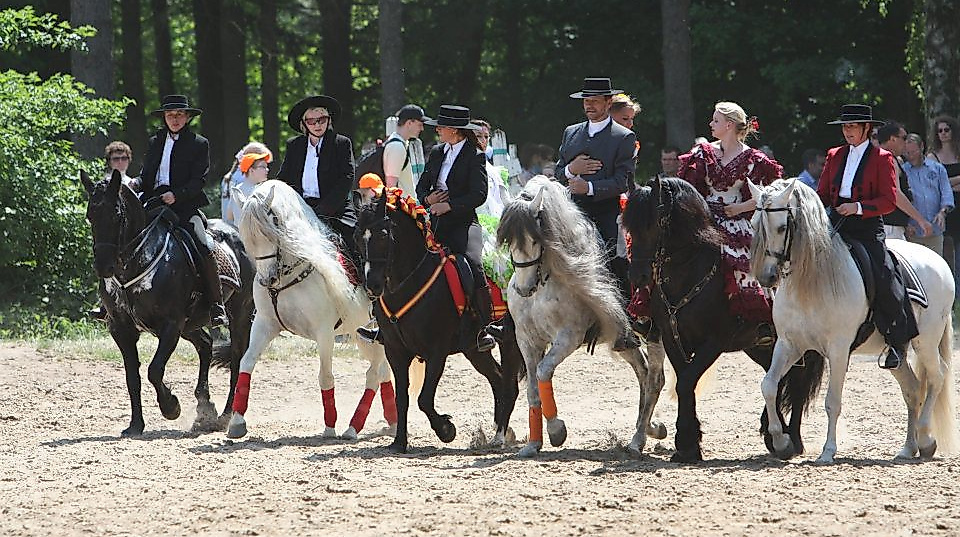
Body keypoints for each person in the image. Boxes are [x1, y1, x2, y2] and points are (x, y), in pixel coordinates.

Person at [817, 104, 918, 369]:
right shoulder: (834, 155)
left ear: (866, 128)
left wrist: (858, 207)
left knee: (883, 272)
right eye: (845, 126)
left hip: (866, 227)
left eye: (852, 126)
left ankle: (896, 340)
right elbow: (823, 195)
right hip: (835, 223)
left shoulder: (882, 158)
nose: (847, 131)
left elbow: (888, 200)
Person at [676, 101, 781, 342]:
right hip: (705, 218)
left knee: (746, 260)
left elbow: (768, 195)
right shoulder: (703, 153)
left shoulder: (753, 159)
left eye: (715, 120)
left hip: (737, 219)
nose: (711, 124)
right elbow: (689, 188)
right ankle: (660, 314)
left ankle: (761, 320)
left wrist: (740, 208)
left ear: (729, 125)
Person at [413, 104, 496, 352]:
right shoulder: (438, 152)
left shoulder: (475, 155)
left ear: (456, 131)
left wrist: (448, 206)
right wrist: (428, 201)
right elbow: (421, 187)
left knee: (473, 262)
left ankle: (485, 326)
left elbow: (479, 194)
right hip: (434, 219)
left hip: (462, 221)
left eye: (441, 126)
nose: (437, 130)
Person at [140, 95, 227, 328]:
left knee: (203, 244)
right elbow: (146, 174)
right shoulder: (155, 141)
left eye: (179, 114)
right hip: (153, 202)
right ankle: (112, 302)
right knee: (122, 235)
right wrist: (136, 185)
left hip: (185, 206)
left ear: (187, 117)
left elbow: (200, 180)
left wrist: (177, 194)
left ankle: (217, 305)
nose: (174, 119)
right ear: (164, 118)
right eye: (170, 115)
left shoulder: (199, 143)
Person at [555, 77, 636, 260]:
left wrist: (589, 188)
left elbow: (622, 181)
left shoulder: (623, 137)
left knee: (615, 266)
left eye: (595, 101)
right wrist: (571, 169)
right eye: (586, 101)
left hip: (605, 214)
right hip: (570, 213)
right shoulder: (571, 132)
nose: (589, 105)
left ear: (608, 103)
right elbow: (558, 173)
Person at [276, 95, 360, 269]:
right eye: (311, 120)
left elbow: (347, 177)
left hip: (335, 209)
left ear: (328, 120)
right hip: (300, 208)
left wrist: (323, 210)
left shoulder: (341, 143)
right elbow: (284, 178)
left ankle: (363, 285)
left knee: (353, 241)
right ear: (304, 123)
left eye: (321, 119)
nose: (317, 124)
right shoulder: (294, 145)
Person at [875, 121, 931, 240]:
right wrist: (921, 220)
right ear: (892, 139)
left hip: (885, 224)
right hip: (889, 227)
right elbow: (895, 194)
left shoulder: (875, 157)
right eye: (904, 138)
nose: (906, 142)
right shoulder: (888, 160)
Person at [902, 133, 952, 254]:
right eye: (907, 153)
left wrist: (943, 212)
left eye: (913, 152)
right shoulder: (903, 171)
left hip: (935, 229)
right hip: (913, 232)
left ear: (922, 147)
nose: (911, 156)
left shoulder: (937, 169)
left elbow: (946, 192)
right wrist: (905, 224)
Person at [929, 115, 960, 285]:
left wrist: (948, 183)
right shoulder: (933, 157)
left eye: (946, 130)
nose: (943, 134)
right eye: (939, 131)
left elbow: (945, 183)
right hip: (944, 208)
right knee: (947, 249)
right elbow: (937, 185)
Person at [384, 104, 431, 199]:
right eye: (419, 125)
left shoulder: (399, 144)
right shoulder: (397, 147)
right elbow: (390, 186)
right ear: (409, 123)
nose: (422, 129)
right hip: (401, 210)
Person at [223, 142, 273, 226]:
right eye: (263, 167)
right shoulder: (259, 191)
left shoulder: (236, 188)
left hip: (235, 234)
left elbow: (229, 216)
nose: (267, 170)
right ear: (251, 170)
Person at [470, 118, 510, 218]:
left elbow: (502, 199)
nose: (483, 140)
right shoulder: (460, 164)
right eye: (478, 136)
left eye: (486, 137)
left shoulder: (494, 170)